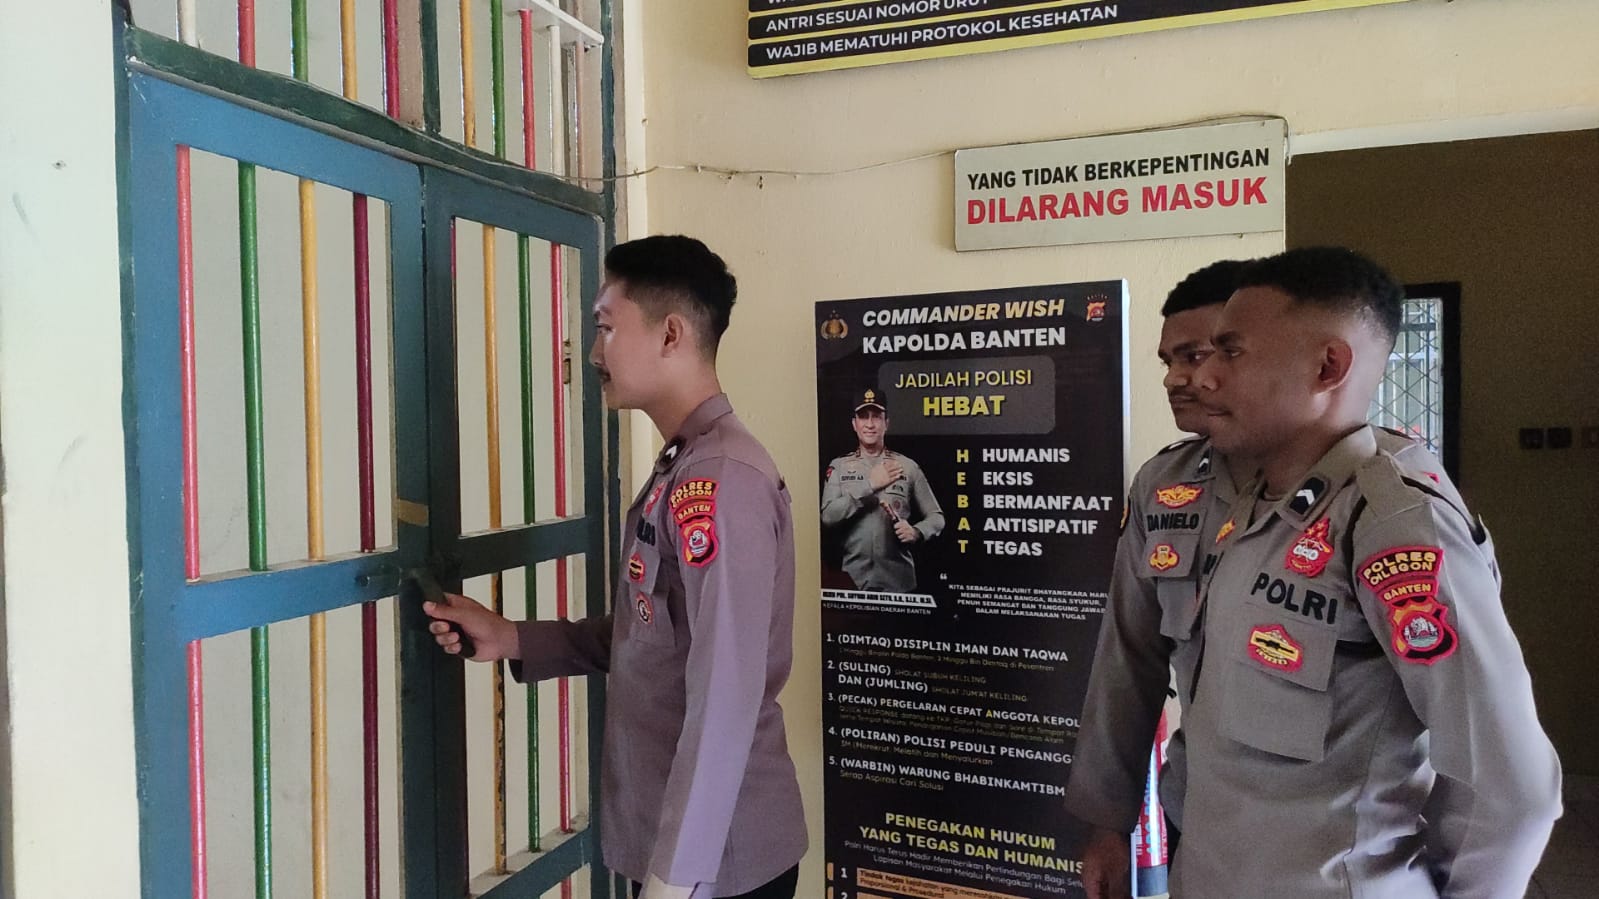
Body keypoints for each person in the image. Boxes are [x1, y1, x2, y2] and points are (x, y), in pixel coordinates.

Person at [423, 235, 806, 899]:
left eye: (605, 326)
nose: (594, 353)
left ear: (670, 334)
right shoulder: (685, 463)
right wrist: (514, 637)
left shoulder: (720, 480)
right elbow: (658, 636)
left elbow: (726, 693)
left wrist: (677, 879)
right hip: (672, 844)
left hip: (714, 862)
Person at [1170, 246, 1560, 897]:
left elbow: (1510, 791)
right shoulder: (1245, 509)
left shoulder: (1391, 521)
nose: (1202, 377)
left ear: (1328, 365)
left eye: (1230, 352)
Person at [1064, 259, 1248, 898]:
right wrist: (1108, 823)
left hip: (1340, 850)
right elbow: (1129, 661)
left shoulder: (1369, 501)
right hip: (1197, 821)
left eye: (1195, 356)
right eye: (1170, 360)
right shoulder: (1165, 485)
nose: (1174, 378)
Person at [819, 390, 945, 592]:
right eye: (863, 417)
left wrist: (917, 532)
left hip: (899, 583)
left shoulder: (907, 466)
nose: (870, 424)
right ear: (854, 424)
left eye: (876, 417)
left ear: (886, 423)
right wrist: (869, 485)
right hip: (853, 582)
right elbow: (828, 517)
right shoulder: (839, 466)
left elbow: (937, 517)